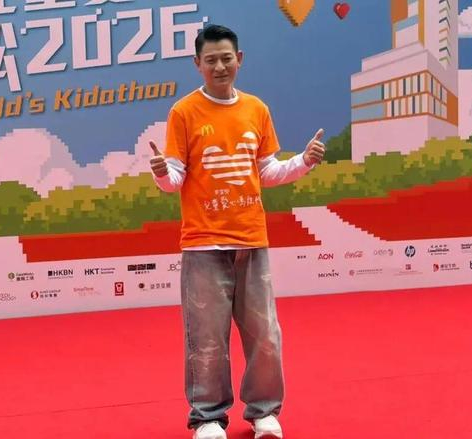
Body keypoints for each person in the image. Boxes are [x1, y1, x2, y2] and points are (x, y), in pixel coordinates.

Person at [149, 24, 325, 439]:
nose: (219, 66)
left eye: (226, 58)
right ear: (197, 64)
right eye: (210, 60)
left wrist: (303, 161)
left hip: (251, 239)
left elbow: (268, 171)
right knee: (206, 339)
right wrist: (161, 173)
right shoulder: (184, 112)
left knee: (265, 335)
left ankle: (264, 412)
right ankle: (208, 417)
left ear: (239, 60)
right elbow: (175, 177)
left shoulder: (256, 110)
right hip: (203, 244)